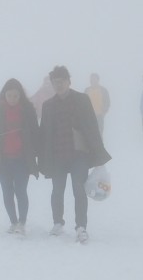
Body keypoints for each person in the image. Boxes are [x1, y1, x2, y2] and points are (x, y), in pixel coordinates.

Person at [36, 65, 110, 244]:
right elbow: (44, 133)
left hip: (79, 155)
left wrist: (99, 155)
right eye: (55, 83)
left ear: (69, 81)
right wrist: (42, 158)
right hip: (57, 156)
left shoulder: (82, 100)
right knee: (57, 190)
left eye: (61, 82)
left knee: (79, 189)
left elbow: (92, 127)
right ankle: (57, 223)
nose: (58, 85)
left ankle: (81, 227)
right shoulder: (48, 105)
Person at [0, 78, 37, 234]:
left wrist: (33, 151)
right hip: (3, 160)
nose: (12, 99)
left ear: (20, 95)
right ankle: (13, 221)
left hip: (22, 160)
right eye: (9, 95)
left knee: (21, 191)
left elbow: (35, 132)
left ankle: (22, 222)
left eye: (16, 96)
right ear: (4, 95)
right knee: (7, 192)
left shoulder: (27, 110)